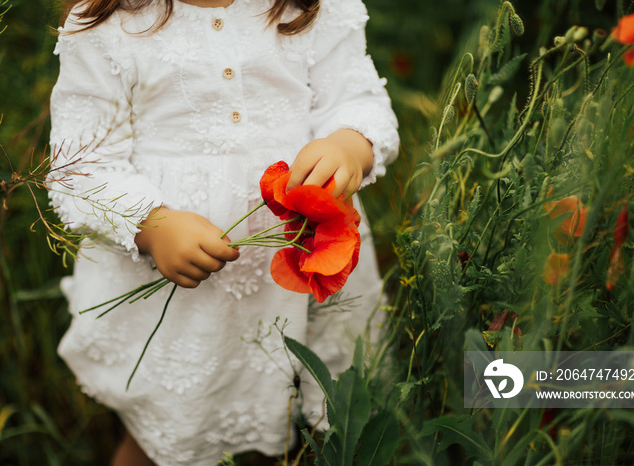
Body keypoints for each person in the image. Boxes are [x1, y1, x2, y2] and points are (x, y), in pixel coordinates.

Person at [48, 0, 399, 463]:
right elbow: (80, 166)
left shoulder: (314, 8)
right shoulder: (109, 24)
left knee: (329, 422)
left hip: (305, 257)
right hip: (184, 299)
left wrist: (348, 145)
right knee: (166, 439)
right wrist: (152, 226)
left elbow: (357, 98)